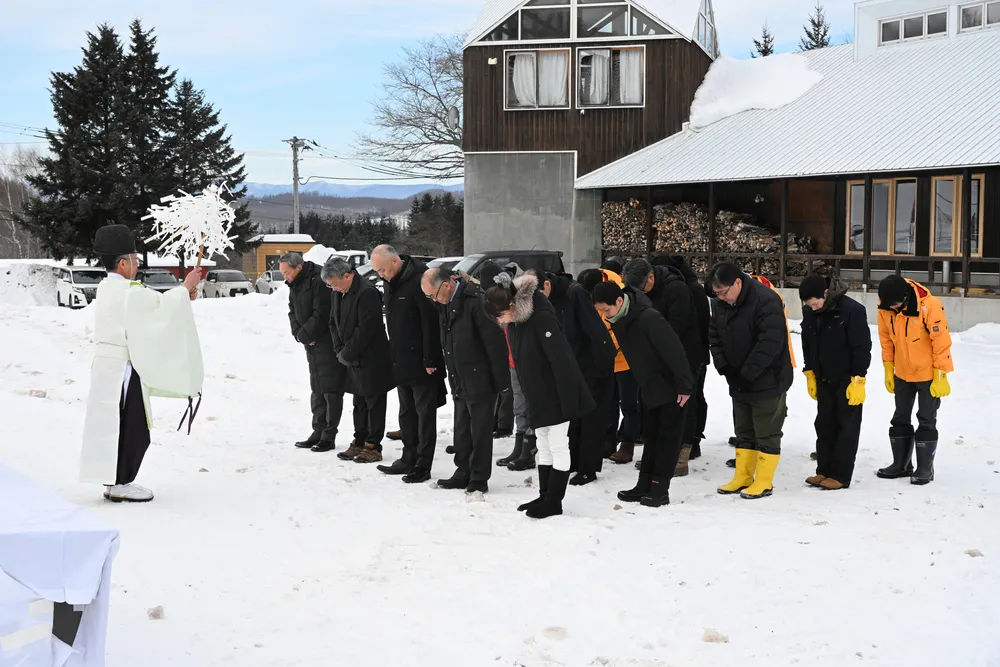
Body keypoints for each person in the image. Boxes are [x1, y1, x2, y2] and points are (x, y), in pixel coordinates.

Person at [81, 224, 203, 503]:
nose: (136, 265)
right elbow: (159, 310)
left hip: (107, 366)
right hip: (120, 368)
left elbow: (153, 306)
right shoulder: (127, 291)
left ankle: (116, 481)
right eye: (135, 260)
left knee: (114, 424)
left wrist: (183, 294)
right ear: (123, 262)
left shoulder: (109, 287)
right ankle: (121, 482)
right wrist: (185, 287)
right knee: (131, 425)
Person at [485, 272, 596, 518]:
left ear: (512, 305)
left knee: (557, 445)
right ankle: (545, 494)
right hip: (537, 393)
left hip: (557, 394)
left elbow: (562, 362)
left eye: (500, 315)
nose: (500, 322)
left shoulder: (542, 318)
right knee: (542, 444)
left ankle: (554, 501)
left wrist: (568, 402)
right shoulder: (516, 322)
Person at [592, 281, 693, 507]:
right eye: (601, 312)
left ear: (619, 301)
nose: (605, 315)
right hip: (648, 386)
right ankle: (644, 484)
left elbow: (675, 351)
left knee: (667, 440)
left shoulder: (649, 318)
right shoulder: (620, 319)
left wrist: (684, 386)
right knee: (651, 437)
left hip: (671, 389)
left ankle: (659, 489)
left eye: (606, 310)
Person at [709, 262, 794, 499]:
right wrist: (724, 366)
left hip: (768, 378)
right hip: (738, 378)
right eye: (717, 294)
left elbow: (770, 343)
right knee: (743, 429)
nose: (721, 298)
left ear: (738, 282)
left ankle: (764, 481)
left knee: (766, 431)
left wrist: (747, 374)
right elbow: (714, 335)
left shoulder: (766, 300)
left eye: (724, 292)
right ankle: (743, 476)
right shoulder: (720, 304)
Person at [421, 268, 510, 493]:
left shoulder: (476, 302)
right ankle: (462, 471)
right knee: (461, 430)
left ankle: (479, 477)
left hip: (480, 378)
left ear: (447, 285)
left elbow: (495, 343)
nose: (433, 300)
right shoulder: (445, 304)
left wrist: (501, 382)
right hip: (459, 376)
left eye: (434, 295)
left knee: (479, 431)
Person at [369, 245, 446, 484]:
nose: (381, 275)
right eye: (377, 271)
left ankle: (423, 464)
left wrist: (431, 358)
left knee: (424, 416)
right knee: (406, 414)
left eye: (382, 269)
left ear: (395, 261)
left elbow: (431, 322)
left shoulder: (420, 278)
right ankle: (408, 457)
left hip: (423, 363)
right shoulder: (391, 281)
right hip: (400, 360)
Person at [623, 258, 703, 476]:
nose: (642, 293)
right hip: (656, 357)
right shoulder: (641, 289)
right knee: (655, 404)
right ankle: (657, 451)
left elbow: (676, 328)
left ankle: (682, 454)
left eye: (644, 288)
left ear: (651, 277)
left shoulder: (676, 289)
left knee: (684, 403)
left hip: (683, 355)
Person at [875, 275, 953, 485]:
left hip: (928, 374)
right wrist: (888, 367)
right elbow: (885, 338)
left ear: (906, 297)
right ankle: (901, 464)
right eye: (890, 305)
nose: (894, 308)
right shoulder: (885, 307)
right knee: (900, 417)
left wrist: (941, 374)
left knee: (926, 419)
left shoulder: (930, 307)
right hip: (902, 372)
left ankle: (924, 469)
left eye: (897, 304)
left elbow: (941, 341)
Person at [541, 271, 617, 485]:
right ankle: (574, 461)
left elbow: (596, 332)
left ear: (547, 284)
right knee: (573, 415)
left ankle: (588, 468)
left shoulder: (575, 294)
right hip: (572, 365)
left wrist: (601, 369)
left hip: (594, 364)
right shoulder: (551, 299)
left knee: (591, 417)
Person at [799, 275, 872, 490]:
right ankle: (823, 470)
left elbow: (862, 346)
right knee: (823, 424)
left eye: (815, 303)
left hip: (847, 379)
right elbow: (807, 342)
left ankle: (840, 475)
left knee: (846, 426)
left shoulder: (851, 310)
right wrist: (810, 371)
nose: (812, 308)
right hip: (823, 376)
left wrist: (859, 377)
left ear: (825, 294)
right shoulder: (809, 313)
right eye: (808, 305)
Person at [323, 257, 395, 464]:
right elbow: (332, 323)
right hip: (350, 358)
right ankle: (360, 439)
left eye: (335, 284)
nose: (333, 289)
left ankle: (373, 445)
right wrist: (340, 349)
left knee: (374, 403)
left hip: (372, 358)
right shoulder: (339, 291)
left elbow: (366, 329)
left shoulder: (367, 293)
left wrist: (347, 353)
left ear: (347, 275)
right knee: (359, 402)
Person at [281, 252, 346, 453]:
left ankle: (329, 435)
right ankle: (317, 430)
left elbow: (322, 313)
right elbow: (292, 310)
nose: (285, 277)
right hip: (310, 343)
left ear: (298, 267)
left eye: (286, 272)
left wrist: (306, 334)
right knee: (317, 387)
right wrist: (298, 334)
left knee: (330, 389)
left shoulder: (318, 279)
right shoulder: (295, 284)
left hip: (326, 342)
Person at [578, 267, 641, 464]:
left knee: (629, 403)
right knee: (608, 402)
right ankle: (608, 439)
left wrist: (606, 346)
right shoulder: (590, 290)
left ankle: (627, 442)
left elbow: (618, 328)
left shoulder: (618, 294)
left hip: (625, 358)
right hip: (604, 360)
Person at [653, 255, 710, 462]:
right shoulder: (669, 289)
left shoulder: (691, 289)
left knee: (693, 398)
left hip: (693, 354)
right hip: (680, 354)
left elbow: (703, 323)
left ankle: (692, 441)